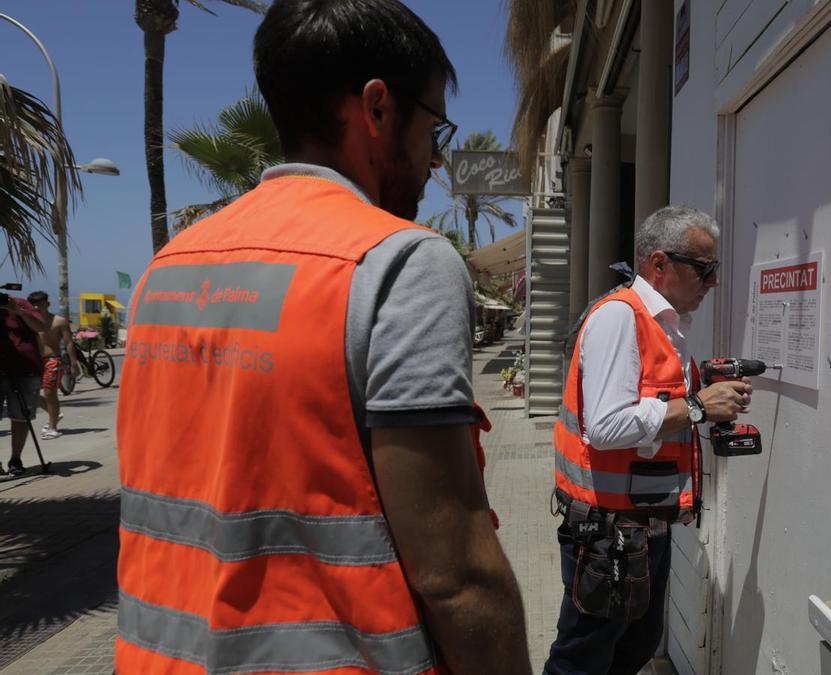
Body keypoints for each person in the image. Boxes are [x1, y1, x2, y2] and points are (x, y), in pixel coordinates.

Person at [115, 1, 530, 673]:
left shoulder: (166, 271)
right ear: (376, 107)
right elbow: (456, 575)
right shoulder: (397, 261)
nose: (434, 159)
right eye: (434, 126)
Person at [545, 205, 753, 674]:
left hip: (640, 525)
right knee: (582, 658)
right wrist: (698, 406)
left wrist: (703, 393)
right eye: (705, 268)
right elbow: (606, 426)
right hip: (606, 530)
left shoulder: (666, 326)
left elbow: (653, 411)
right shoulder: (621, 318)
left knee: (634, 647)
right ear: (659, 264)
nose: (713, 281)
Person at [0, 294, 46, 477]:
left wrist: (19, 312)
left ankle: (15, 459)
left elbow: (41, 327)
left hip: (25, 369)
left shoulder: (18, 303)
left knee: (21, 416)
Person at [27, 290, 80, 440]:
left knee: (50, 394)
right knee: (31, 394)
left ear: (48, 304)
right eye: (34, 305)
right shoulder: (29, 321)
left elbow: (69, 342)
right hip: (35, 361)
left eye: (40, 304)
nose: (37, 308)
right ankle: (55, 414)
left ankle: (53, 427)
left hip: (53, 360)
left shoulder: (59, 321)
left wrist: (73, 363)